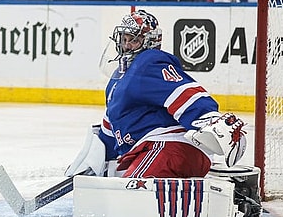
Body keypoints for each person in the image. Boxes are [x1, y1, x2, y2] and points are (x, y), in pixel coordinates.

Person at [92, 10, 246, 179]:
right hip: (155, 151)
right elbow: (112, 125)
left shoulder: (148, 62)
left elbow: (182, 91)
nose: (127, 45)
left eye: (134, 40)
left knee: (132, 191)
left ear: (150, 42)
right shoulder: (118, 79)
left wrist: (210, 119)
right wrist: (97, 159)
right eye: (124, 39)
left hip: (171, 147)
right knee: (118, 184)